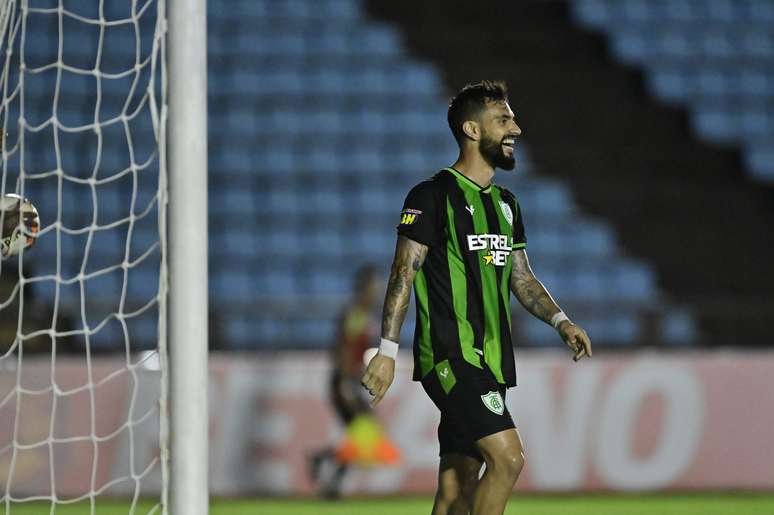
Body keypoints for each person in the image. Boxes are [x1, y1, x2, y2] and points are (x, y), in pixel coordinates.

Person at [361, 80, 592, 515]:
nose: (517, 129)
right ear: (471, 130)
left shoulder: (506, 205)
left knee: (455, 491)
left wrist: (562, 321)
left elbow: (521, 279)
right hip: (451, 356)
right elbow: (402, 274)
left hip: (491, 362)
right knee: (507, 458)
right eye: (504, 119)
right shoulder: (430, 196)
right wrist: (387, 350)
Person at [309, 264, 398, 497]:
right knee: (364, 432)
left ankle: (328, 472)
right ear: (364, 287)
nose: (376, 291)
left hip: (347, 380)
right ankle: (327, 471)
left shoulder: (360, 313)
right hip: (344, 381)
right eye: (373, 286)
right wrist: (346, 382)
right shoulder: (356, 313)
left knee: (361, 434)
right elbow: (343, 348)